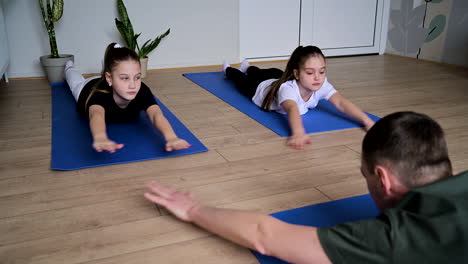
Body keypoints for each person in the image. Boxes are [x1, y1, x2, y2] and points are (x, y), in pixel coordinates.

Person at [144, 111, 468, 263]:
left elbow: (264, 236)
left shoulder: (396, 237)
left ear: (382, 179)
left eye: (365, 176)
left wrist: (193, 209)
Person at [224, 46, 375, 150]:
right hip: (259, 89)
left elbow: (341, 103)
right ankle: (229, 69)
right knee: (240, 80)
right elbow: (292, 109)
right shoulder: (288, 89)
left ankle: (249, 67)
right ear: (297, 74)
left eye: (322, 72)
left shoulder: (320, 84)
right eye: (310, 73)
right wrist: (298, 133)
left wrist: (367, 121)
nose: (317, 78)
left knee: (269, 71)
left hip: (276, 78)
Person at [64, 43, 190, 153]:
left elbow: (156, 114)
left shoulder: (141, 90)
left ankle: (110, 66)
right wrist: (100, 137)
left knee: (120, 72)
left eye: (137, 77)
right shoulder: (99, 95)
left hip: (109, 79)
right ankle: (69, 68)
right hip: (88, 87)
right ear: (109, 78)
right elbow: (96, 115)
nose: (133, 85)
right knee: (74, 80)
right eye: (125, 78)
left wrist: (171, 137)